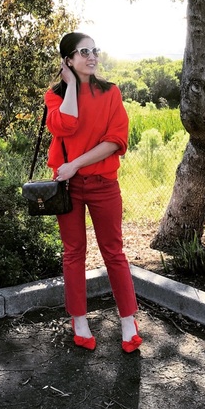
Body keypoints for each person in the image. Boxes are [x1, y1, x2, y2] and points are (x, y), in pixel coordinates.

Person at [44, 31, 142, 353]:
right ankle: (79, 321)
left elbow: (116, 141)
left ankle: (128, 321)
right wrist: (72, 85)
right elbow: (65, 126)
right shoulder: (54, 97)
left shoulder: (111, 92)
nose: (92, 57)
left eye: (94, 51)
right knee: (74, 253)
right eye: (83, 52)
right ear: (68, 60)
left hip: (103, 184)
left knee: (114, 252)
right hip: (68, 188)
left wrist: (75, 164)